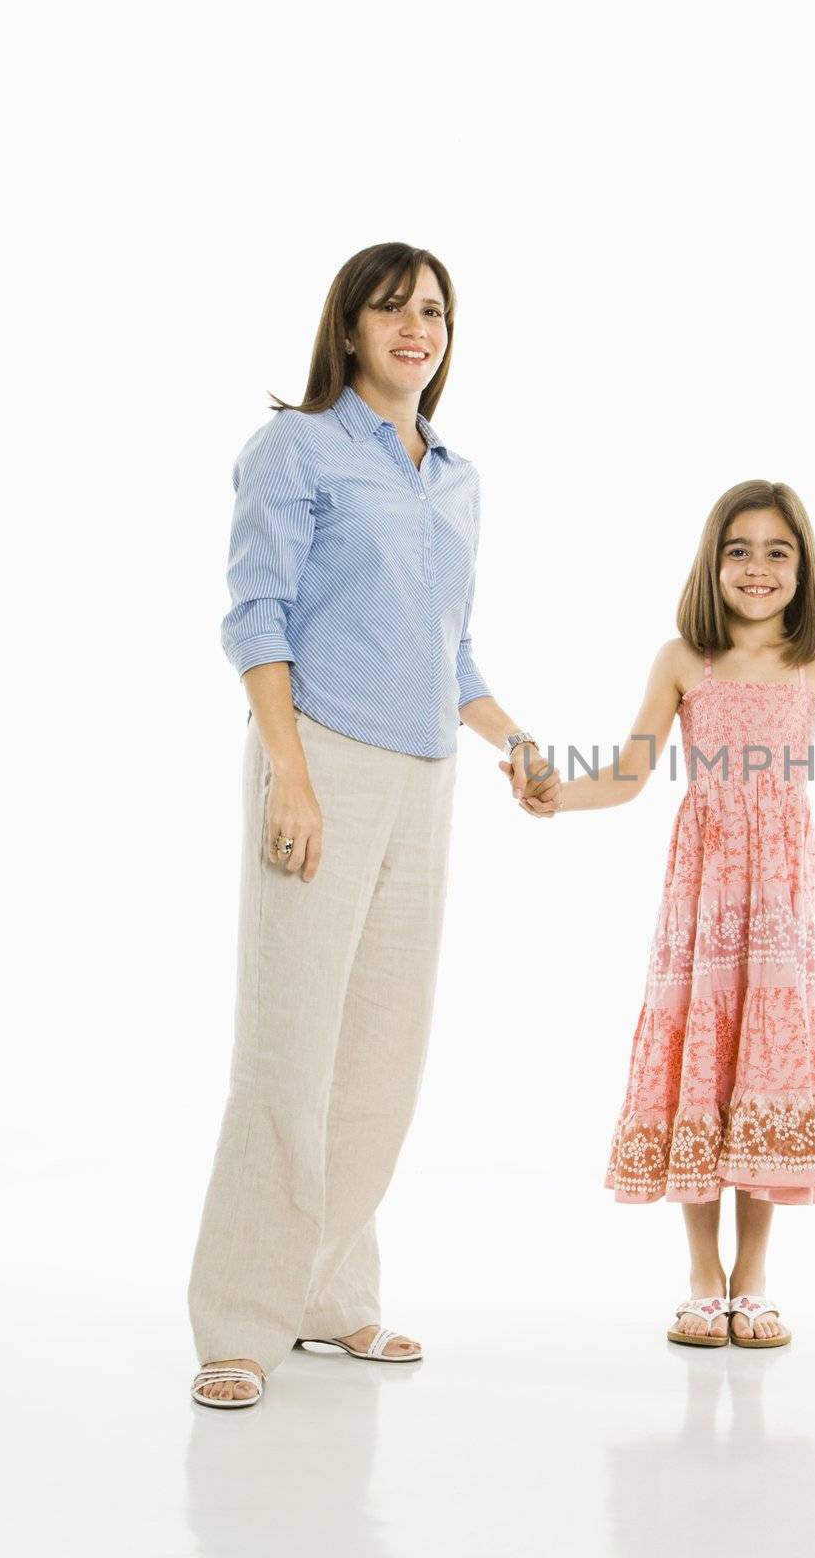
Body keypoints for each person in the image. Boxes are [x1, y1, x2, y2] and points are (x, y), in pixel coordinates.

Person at [188, 243, 559, 1409]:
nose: (417, 327)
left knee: (379, 1057)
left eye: (435, 310)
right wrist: (287, 776)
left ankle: (333, 1296)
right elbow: (256, 616)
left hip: (428, 772)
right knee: (288, 1049)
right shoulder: (297, 446)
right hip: (324, 755)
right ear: (348, 326)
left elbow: (448, 645)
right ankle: (240, 1323)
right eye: (392, 309)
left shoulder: (456, 473)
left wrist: (517, 742)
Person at [557, 479, 815, 1348]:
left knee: (764, 1066)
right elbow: (627, 774)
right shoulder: (682, 661)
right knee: (706, 1056)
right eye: (739, 550)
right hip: (703, 893)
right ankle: (703, 1277)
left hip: (779, 896)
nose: (758, 568)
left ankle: (756, 1279)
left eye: (779, 551)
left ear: (803, 566)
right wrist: (557, 796)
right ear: (713, 562)